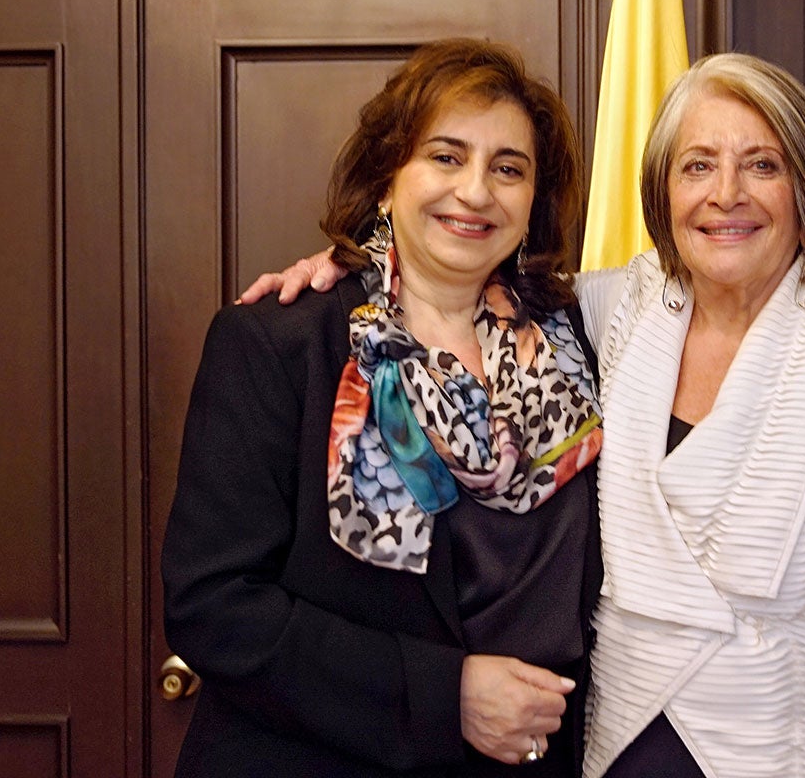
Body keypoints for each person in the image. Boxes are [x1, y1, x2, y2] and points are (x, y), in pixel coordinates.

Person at [247, 52, 805, 777]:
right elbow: (459, 261)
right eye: (696, 166)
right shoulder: (608, 313)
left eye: (763, 165)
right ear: (662, 194)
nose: (726, 194)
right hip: (613, 753)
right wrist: (355, 263)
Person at [161, 38, 605, 778]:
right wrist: (444, 696)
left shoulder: (577, 348)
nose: (475, 191)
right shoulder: (281, 344)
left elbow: (717, 302)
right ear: (386, 180)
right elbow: (214, 606)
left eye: (508, 168)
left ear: (535, 201)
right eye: (445, 156)